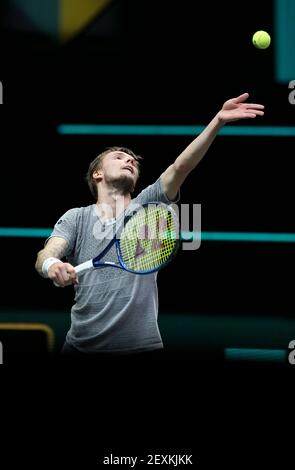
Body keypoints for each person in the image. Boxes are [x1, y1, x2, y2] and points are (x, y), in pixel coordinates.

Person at [35, 93, 264, 358]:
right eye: (119, 157)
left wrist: (217, 121)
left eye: (133, 161)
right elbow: (46, 253)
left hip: (142, 347)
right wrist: (54, 265)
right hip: (80, 347)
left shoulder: (148, 203)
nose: (129, 161)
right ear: (97, 173)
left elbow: (180, 167)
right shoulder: (77, 217)